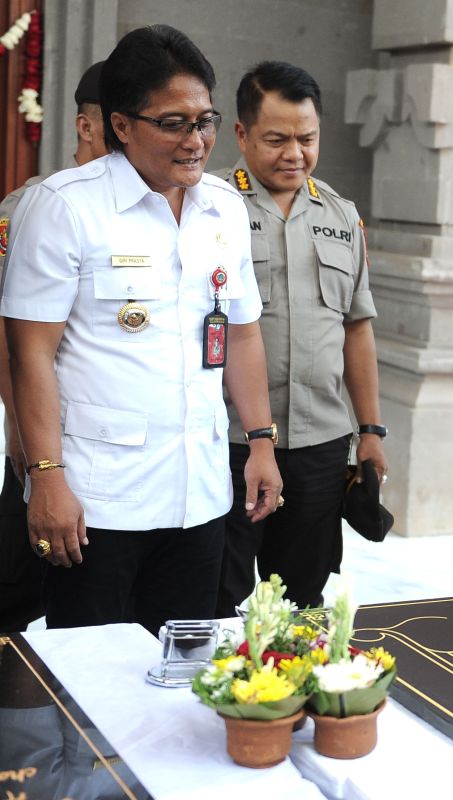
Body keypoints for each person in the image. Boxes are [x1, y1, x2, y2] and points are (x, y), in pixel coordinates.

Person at [0, 25, 282, 633]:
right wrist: (46, 479)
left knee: (182, 676)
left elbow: (241, 332)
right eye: (173, 123)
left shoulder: (223, 208)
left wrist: (260, 440)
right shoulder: (64, 207)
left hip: (200, 494)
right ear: (121, 125)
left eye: (204, 121)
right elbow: (31, 353)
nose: (196, 141)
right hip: (97, 503)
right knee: (90, 683)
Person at [213, 61, 385, 615]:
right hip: (230, 439)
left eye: (307, 139)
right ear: (241, 135)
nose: (295, 154)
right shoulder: (210, 208)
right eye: (277, 139)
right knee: (217, 591)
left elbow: (356, 329)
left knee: (305, 597)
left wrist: (371, 430)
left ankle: (292, 699)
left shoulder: (341, 216)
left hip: (319, 444)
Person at [0, 61, 108, 632]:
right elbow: (10, 333)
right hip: (44, 435)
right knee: (19, 585)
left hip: (113, 451)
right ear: (87, 127)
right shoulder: (34, 206)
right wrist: (18, 425)